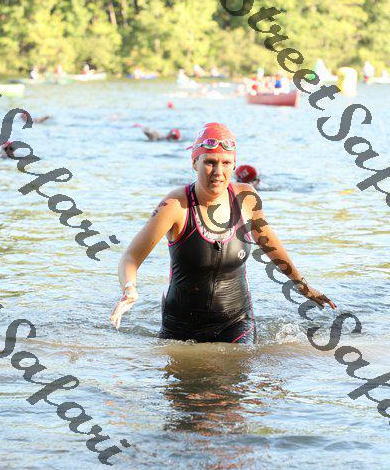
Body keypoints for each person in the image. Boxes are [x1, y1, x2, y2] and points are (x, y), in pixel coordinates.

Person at [110, 122, 336, 343]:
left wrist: (302, 285)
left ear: (234, 165)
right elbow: (130, 258)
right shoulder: (175, 205)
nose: (218, 172)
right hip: (180, 326)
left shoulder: (246, 198)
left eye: (226, 163)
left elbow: (270, 245)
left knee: (240, 366)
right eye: (210, 162)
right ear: (195, 162)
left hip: (236, 322)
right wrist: (129, 290)